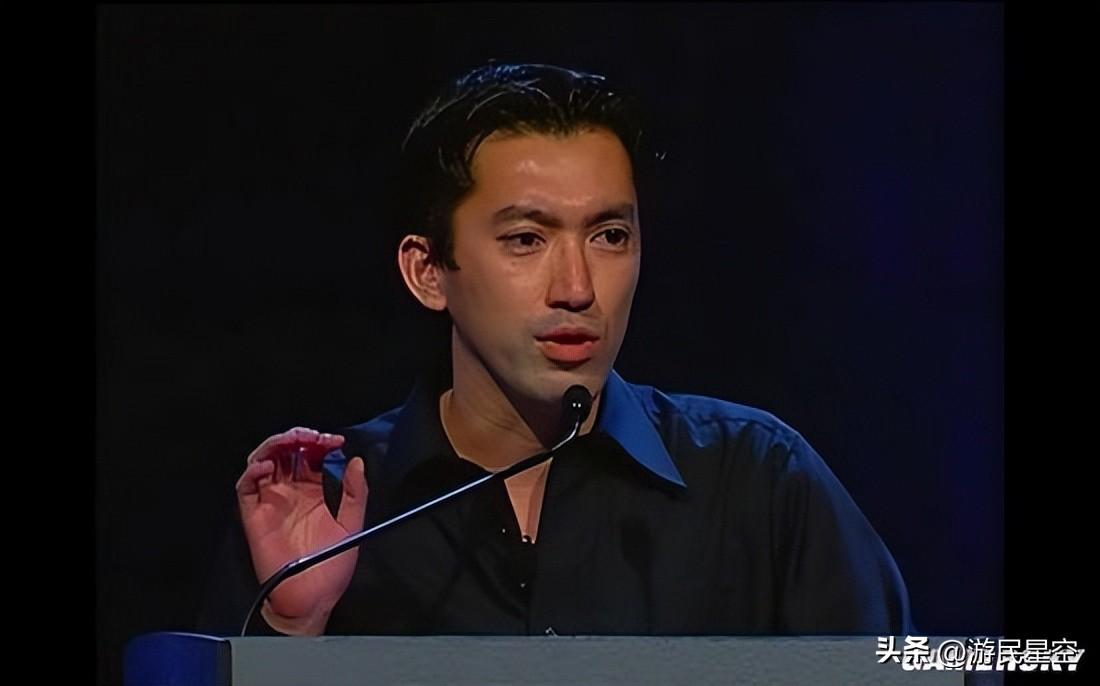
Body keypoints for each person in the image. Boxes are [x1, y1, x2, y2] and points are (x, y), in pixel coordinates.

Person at [199, 62, 914, 638]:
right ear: (428, 272)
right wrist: (292, 629)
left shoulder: (759, 482)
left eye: (610, 236)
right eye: (526, 239)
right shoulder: (320, 511)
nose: (577, 288)